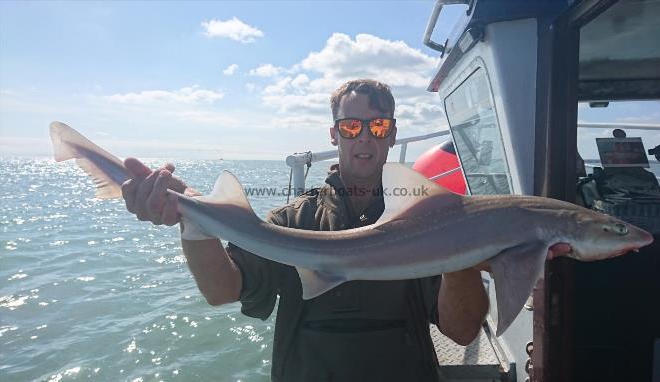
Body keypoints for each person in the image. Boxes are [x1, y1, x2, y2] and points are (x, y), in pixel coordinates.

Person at [121, 79, 570, 381]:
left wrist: (461, 255)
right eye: (351, 126)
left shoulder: (432, 219)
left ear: (392, 135)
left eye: (378, 126)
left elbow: (463, 332)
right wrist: (193, 223)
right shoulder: (294, 221)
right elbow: (222, 290)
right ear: (334, 135)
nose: (365, 137)